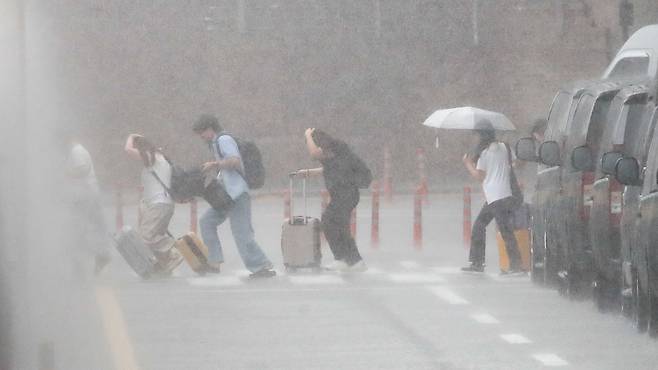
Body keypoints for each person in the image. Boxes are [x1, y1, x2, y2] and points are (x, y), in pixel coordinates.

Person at [192, 114, 275, 278]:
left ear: (210, 128)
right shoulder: (215, 143)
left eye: (202, 132)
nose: (201, 136)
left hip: (237, 194)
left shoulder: (224, 140)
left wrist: (214, 164)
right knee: (207, 222)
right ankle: (214, 262)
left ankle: (261, 266)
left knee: (242, 233)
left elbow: (235, 161)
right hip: (227, 194)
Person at [295, 128, 367, 272]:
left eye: (311, 143)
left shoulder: (333, 148)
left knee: (331, 222)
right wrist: (308, 173)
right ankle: (347, 259)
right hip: (345, 194)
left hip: (345, 194)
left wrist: (308, 135)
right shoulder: (335, 151)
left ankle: (350, 260)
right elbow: (330, 169)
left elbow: (314, 154)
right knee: (337, 225)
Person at [461, 120, 522, 273]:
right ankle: (480, 263)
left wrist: (468, 163)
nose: (475, 138)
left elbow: (479, 176)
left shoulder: (485, 153)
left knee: (495, 229)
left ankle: (514, 265)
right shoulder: (504, 147)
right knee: (488, 227)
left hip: (495, 197)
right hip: (505, 195)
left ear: (482, 136)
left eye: (476, 135)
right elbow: (516, 163)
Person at [124, 133, 183, 274]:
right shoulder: (159, 159)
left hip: (159, 205)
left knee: (145, 237)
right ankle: (165, 265)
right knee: (154, 236)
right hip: (163, 205)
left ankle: (173, 248)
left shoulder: (153, 158)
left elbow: (127, 149)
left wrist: (131, 137)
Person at [65, 135, 111, 275]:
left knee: (78, 229)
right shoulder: (78, 150)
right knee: (91, 227)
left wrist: (65, 173)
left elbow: (83, 169)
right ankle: (98, 255)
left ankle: (81, 263)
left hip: (85, 196)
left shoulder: (76, 151)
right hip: (87, 195)